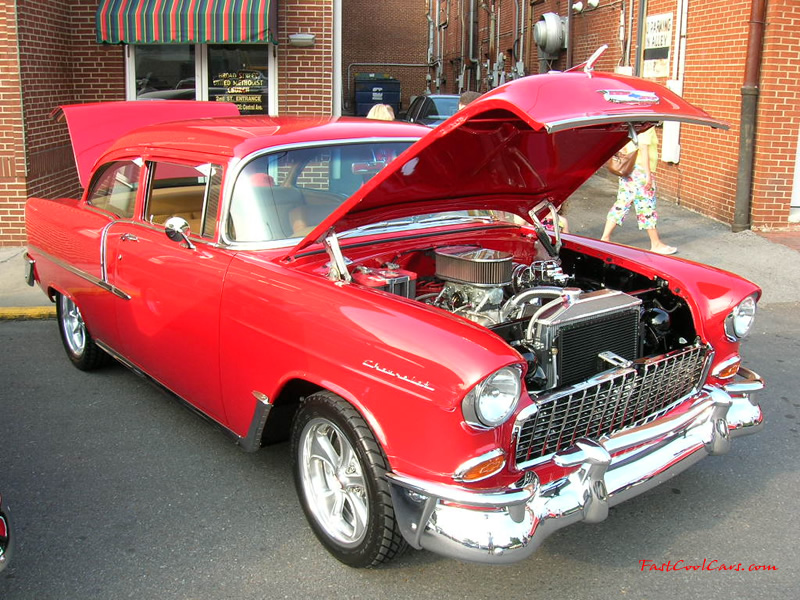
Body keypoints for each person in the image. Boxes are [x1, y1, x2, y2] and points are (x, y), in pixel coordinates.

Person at [601, 126, 677, 255]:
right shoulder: (646, 126)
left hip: (630, 169)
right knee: (646, 206)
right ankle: (656, 244)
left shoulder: (632, 125)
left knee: (622, 202)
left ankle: (605, 238)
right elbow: (643, 148)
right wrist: (648, 175)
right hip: (641, 171)